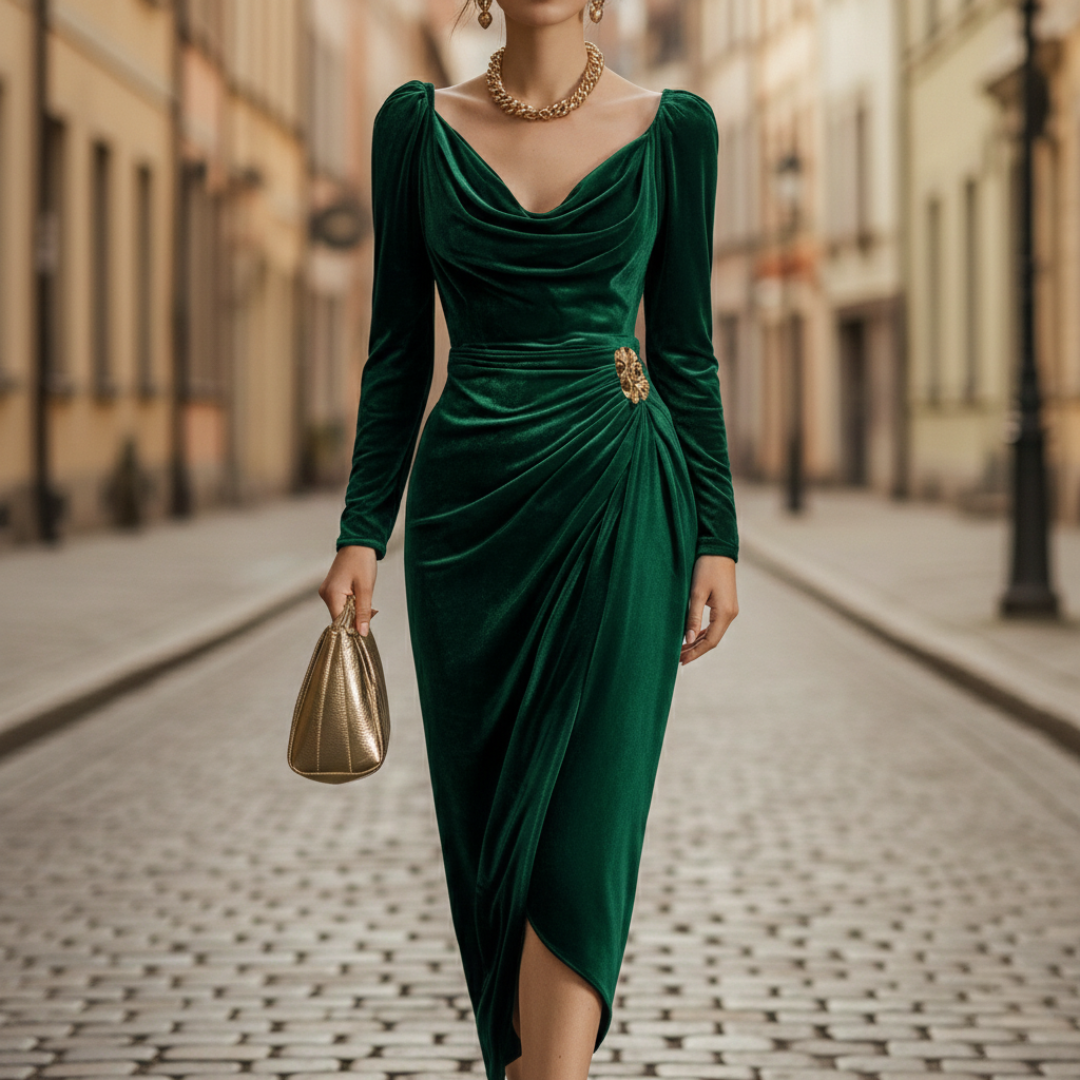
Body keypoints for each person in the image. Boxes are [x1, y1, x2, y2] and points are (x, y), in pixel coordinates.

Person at [319, 1, 740, 1077]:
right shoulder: (415, 126)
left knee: (579, 835)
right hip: (468, 528)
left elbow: (685, 350)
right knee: (494, 847)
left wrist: (718, 539)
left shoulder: (674, 127)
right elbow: (397, 347)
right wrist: (364, 528)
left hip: (620, 504)